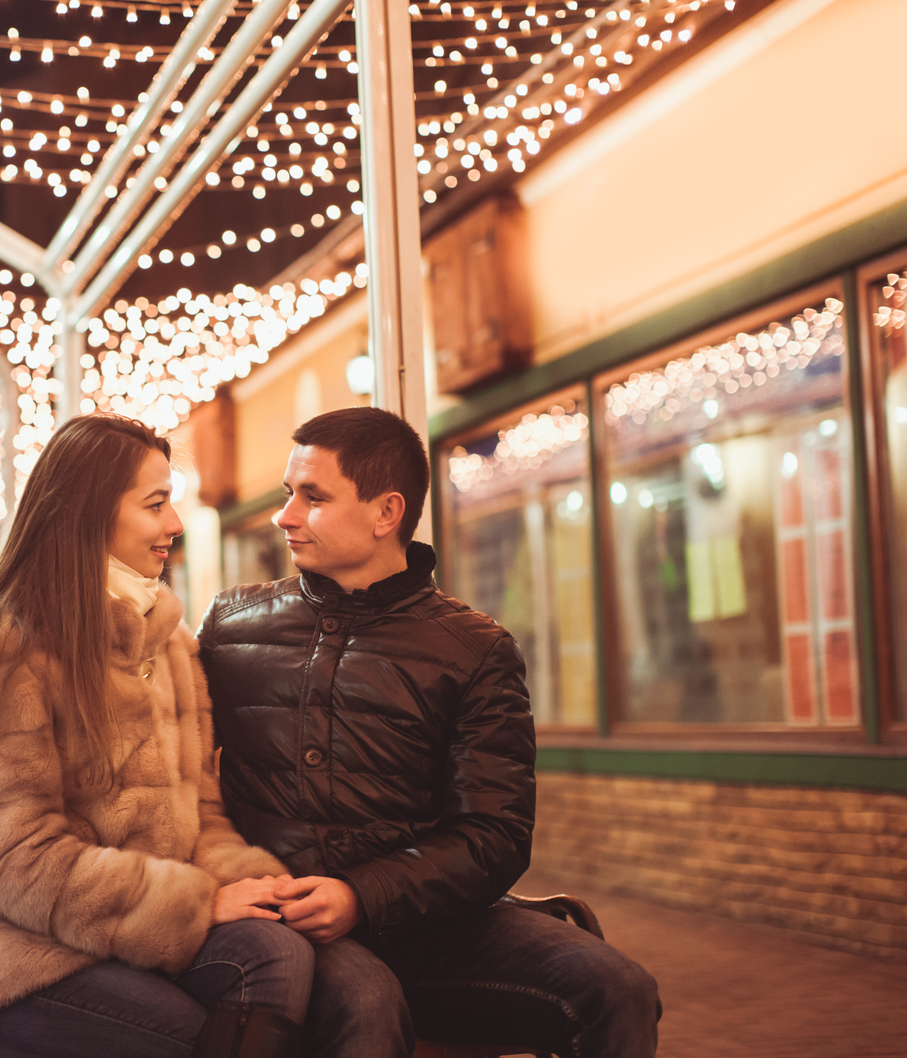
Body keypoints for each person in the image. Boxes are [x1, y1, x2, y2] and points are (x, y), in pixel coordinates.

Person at [197, 407, 660, 1058]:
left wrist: (364, 894)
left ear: (387, 513)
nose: (286, 516)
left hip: (429, 926)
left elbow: (494, 835)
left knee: (615, 987)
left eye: (313, 496)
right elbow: (173, 780)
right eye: (287, 494)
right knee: (367, 1003)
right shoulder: (230, 628)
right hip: (285, 923)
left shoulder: (474, 648)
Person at [0, 413, 314, 1058]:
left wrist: (254, 885)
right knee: (195, 1038)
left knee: (280, 952)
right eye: (156, 504)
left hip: (141, 939)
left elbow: (203, 814)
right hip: (25, 957)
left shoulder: (170, 647)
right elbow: (15, 855)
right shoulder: (6, 646)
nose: (175, 526)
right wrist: (190, 907)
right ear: (88, 512)